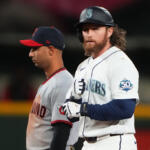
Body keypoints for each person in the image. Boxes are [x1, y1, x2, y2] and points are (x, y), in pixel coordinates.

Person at [62, 6, 139, 150]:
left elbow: (125, 108)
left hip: (115, 141)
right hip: (87, 142)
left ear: (109, 31)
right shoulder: (82, 67)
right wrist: (72, 102)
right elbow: (72, 110)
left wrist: (82, 108)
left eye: (95, 28)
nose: (89, 34)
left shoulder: (120, 63)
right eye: (85, 30)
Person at [20, 26, 78, 150]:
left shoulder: (63, 83)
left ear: (51, 50)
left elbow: (61, 132)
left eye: (35, 48)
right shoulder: (52, 82)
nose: (30, 54)